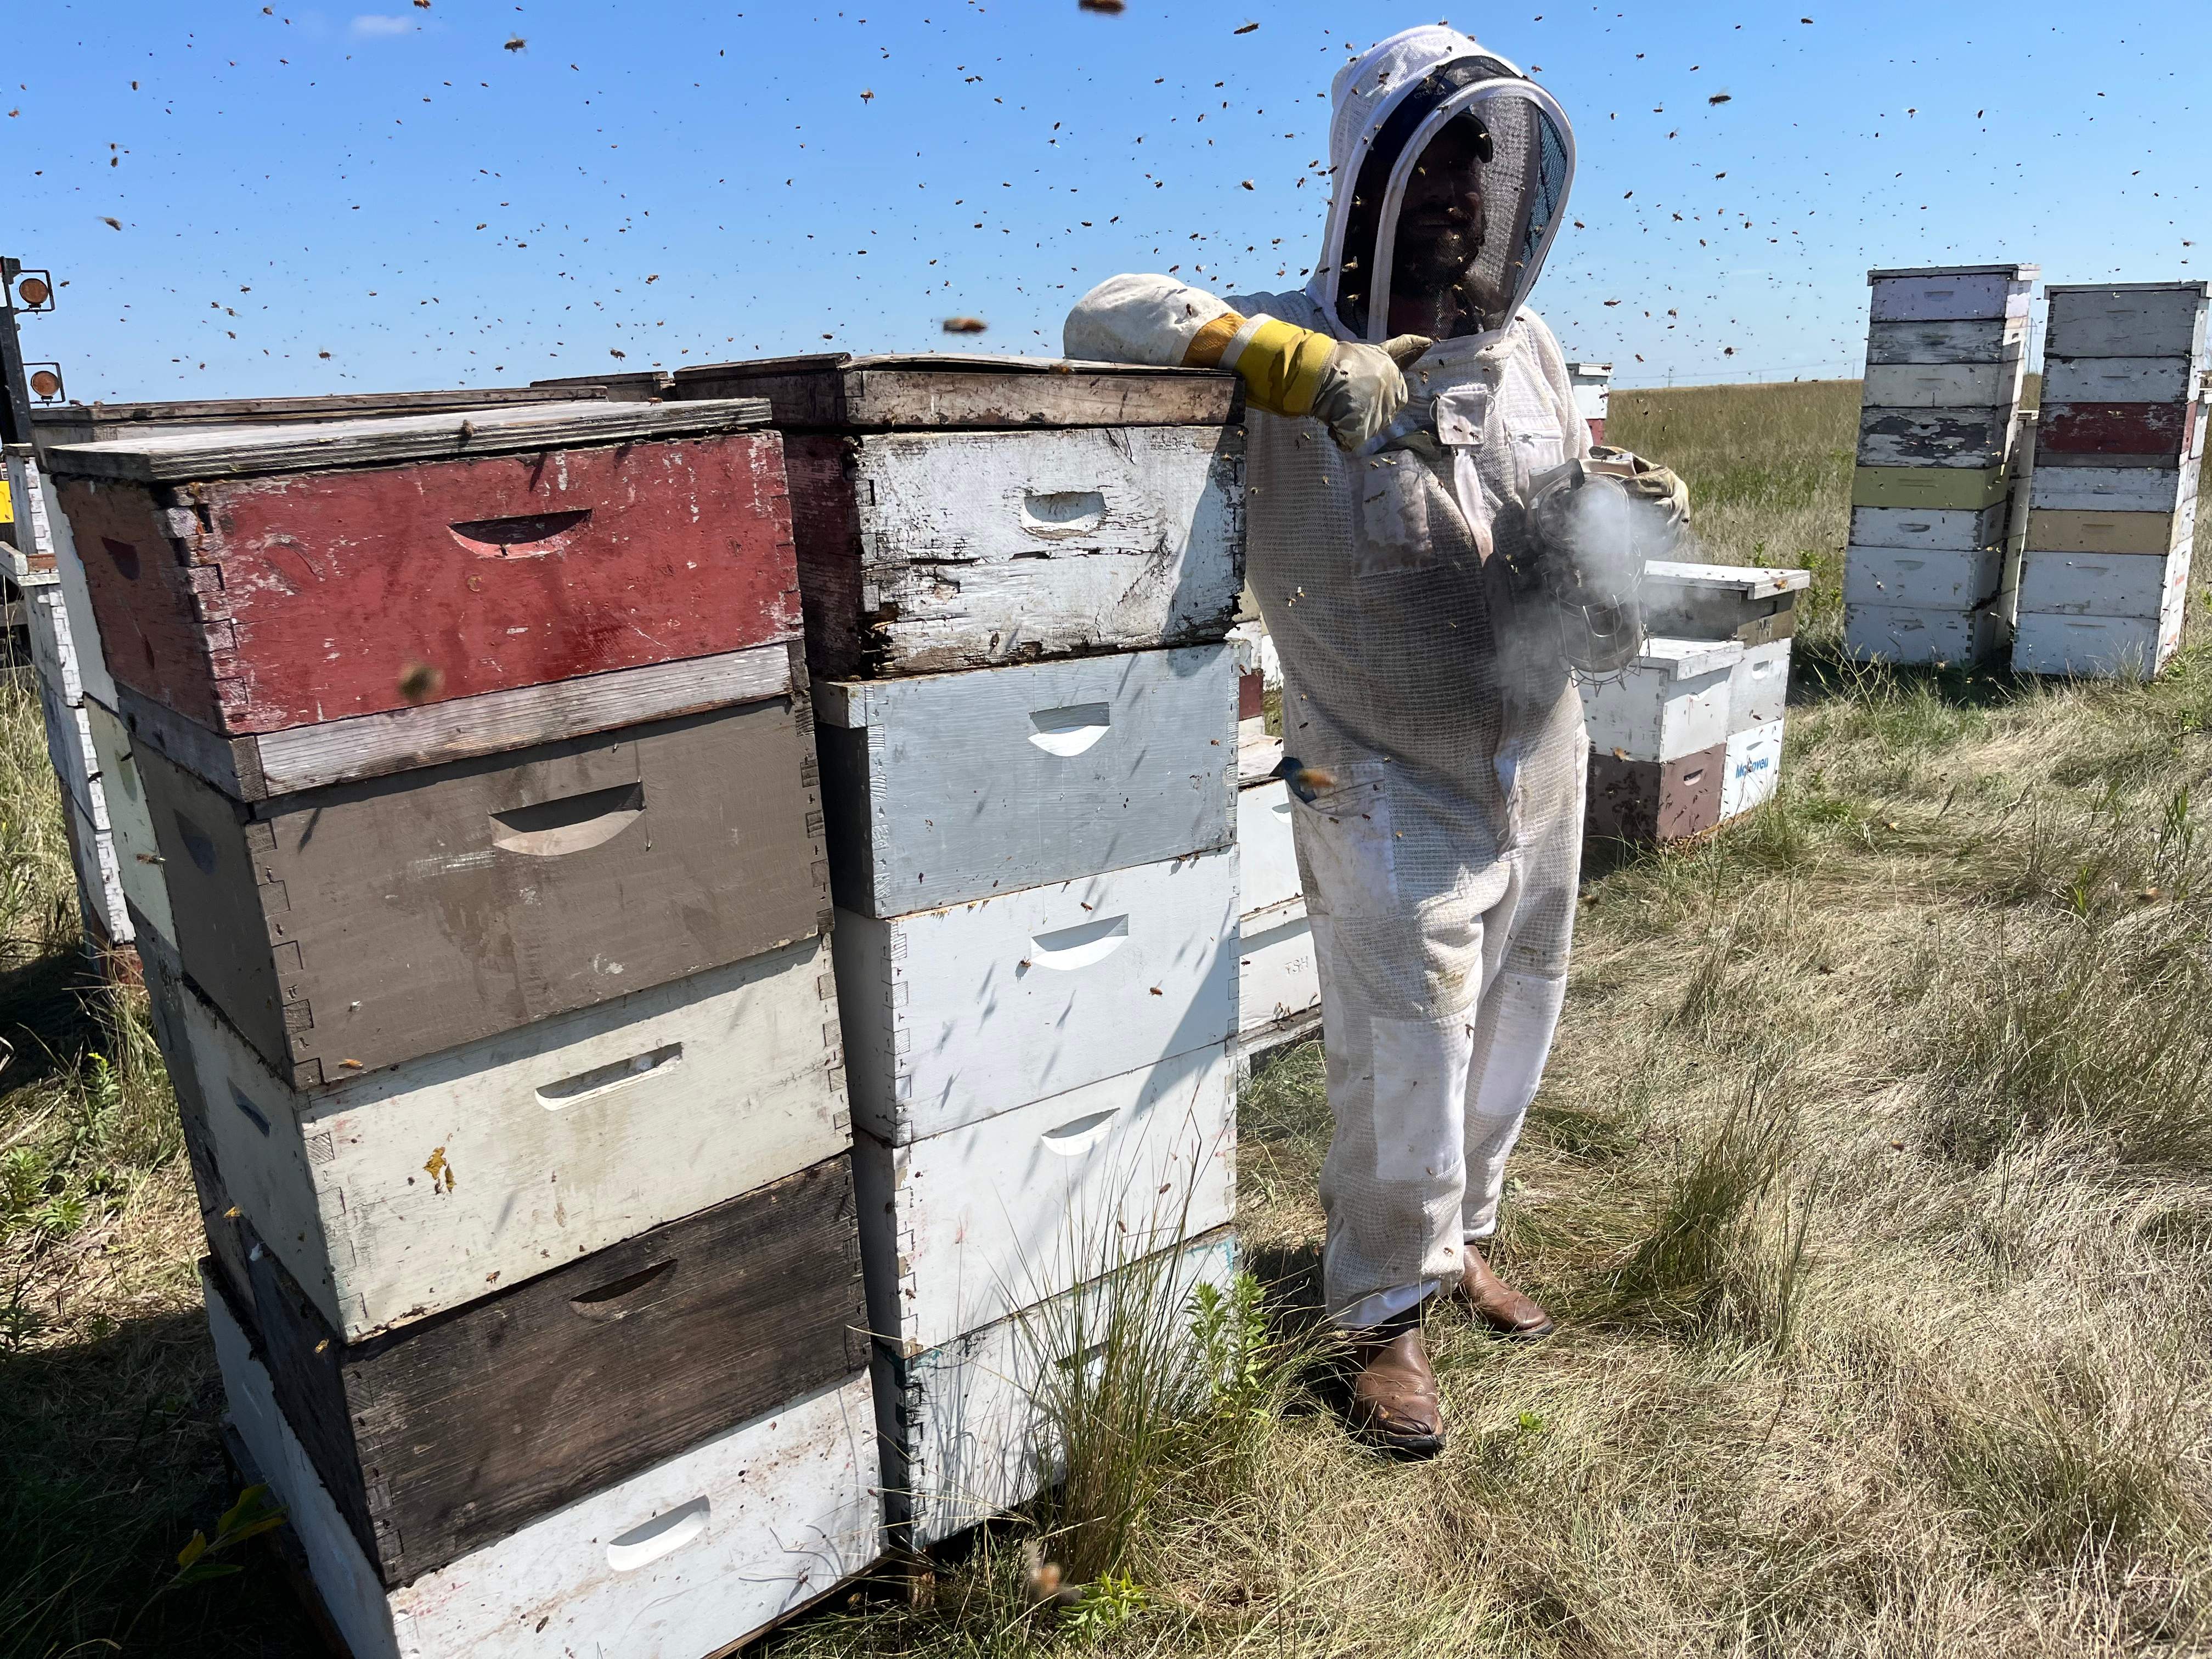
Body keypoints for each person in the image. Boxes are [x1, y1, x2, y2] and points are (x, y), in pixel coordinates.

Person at [1065, 25, 1686, 1457]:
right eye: (1444, 162)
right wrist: (1274, 358)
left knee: (1522, 1002)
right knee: (1407, 1045)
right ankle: (1382, 1316)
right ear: (1370, 177)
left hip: (1540, 745)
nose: (1470, 194)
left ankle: (1463, 1235)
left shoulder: (1526, 346)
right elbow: (1103, 314)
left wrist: (1616, 539)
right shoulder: (1287, 333)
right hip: (1380, 766)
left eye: (1490, 163)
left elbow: (1554, 513)